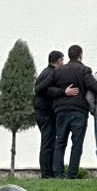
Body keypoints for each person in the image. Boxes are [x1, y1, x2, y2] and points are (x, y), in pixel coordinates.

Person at [43, 44, 97, 179]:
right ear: (80, 55)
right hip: (79, 111)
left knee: (60, 141)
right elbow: (94, 86)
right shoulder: (84, 70)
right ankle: (72, 174)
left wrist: (62, 92)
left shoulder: (58, 71)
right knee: (77, 143)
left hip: (61, 111)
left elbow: (46, 88)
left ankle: (58, 173)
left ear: (68, 56)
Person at [34, 50, 64, 178]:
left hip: (42, 112)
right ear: (58, 61)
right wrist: (63, 92)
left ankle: (48, 172)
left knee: (49, 141)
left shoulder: (46, 72)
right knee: (47, 142)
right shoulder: (50, 73)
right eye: (62, 60)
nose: (64, 63)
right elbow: (41, 89)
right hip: (45, 112)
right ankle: (46, 173)